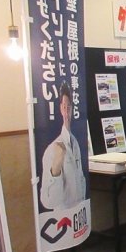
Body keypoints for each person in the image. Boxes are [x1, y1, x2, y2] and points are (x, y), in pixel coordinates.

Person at [40, 81, 86, 210]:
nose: (67, 111)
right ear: (60, 108)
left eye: (69, 107)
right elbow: (49, 201)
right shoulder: (52, 149)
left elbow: (80, 180)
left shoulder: (75, 142)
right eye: (64, 107)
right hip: (62, 218)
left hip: (79, 212)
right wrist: (56, 168)